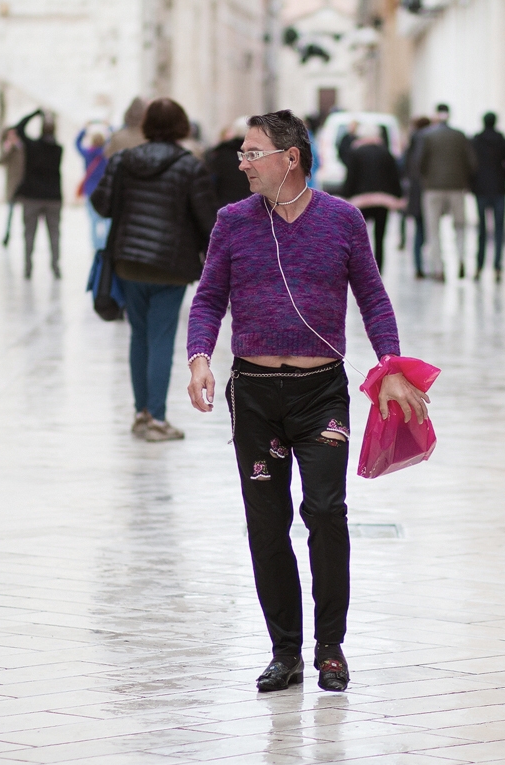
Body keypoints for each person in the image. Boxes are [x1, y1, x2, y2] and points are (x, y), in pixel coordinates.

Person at [185, 110, 429, 694]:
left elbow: (373, 297)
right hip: (254, 394)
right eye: (242, 154)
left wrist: (391, 365)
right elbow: (209, 297)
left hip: (321, 393)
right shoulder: (232, 221)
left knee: (324, 512)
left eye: (252, 153)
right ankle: (285, 651)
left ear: (290, 158)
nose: (242, 164)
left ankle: (331, 648)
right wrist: (199, 356)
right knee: (267, 525)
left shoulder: (342, 220)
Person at [91, 98, 217, 441]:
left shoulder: (123, 160)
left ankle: (140, 414)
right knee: (161, 338)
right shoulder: (190, 166)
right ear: (181, 125)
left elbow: (100, 203)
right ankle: (157, 419)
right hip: (171, 266)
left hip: (129, 262)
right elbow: (208, 220)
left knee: (139, 337)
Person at [418, 103, 476, 281]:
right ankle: (461, 259)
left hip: (433, 188)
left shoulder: (428, 136)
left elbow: (419, 162)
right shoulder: (460, 136)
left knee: (433, 229)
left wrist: (426, 178)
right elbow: (472, 163)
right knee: (459, 226)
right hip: (457, 187)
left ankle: (438, 268)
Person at [341, 125, 402, 271]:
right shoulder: (386, 153)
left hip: (361, 201)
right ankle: (378, 268)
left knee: (360, 238)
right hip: (383, 200)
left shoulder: (355, 153)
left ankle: (362, 268)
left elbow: (351, 177)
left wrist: (346, 195)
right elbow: (394, 176)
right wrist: (398, 195)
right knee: (380, 237)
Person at [14, 109, 64, 279]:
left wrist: (35, 114)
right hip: (53, 198)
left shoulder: (32, 147)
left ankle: (28, 267)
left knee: (29, 234)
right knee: (54, 234)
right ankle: (55, 266)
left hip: (32, 197)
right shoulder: (58, 150)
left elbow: (19, 129)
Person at [471, 112, 505, 282]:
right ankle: (497, 266)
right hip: (498, 189)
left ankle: (479, 265)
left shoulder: (476, 141)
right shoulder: (502, 141)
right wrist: (504, 175)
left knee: (481, 230)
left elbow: (470, 164)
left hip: (481, 189)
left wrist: (473, 182)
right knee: (499, 230)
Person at [402, 116, 432, 278]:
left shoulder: (413, 142)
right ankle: (428, 265)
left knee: (419, 230)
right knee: (428, 230)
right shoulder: (427, 140)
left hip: (415, 191)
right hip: (427, 190)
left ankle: (418, 266)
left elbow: (404, 166)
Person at [75, 124, 109, 251]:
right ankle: (105, 244)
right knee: (106, 220)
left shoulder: (88, 154)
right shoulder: (107, 154)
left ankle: (96, 247)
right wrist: (108, 128)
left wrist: (84, 129)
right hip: (105, 189)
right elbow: (113, 140)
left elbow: (77, 143)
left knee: (93, 221)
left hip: (90, 190)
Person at [206, 118, 253, 208]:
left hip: (226, 204)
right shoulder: (259, 153)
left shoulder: (221, 153)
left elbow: (213, 182)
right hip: (252, 204)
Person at [0, 127, 24, 247]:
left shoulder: (22, 148)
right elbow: (0, 161)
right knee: (10, 212)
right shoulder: (8, 149)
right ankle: (7, 234)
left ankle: (26, 236)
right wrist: (8, 149)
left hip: (24, 186)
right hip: (12, 186)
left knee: (26, 214)